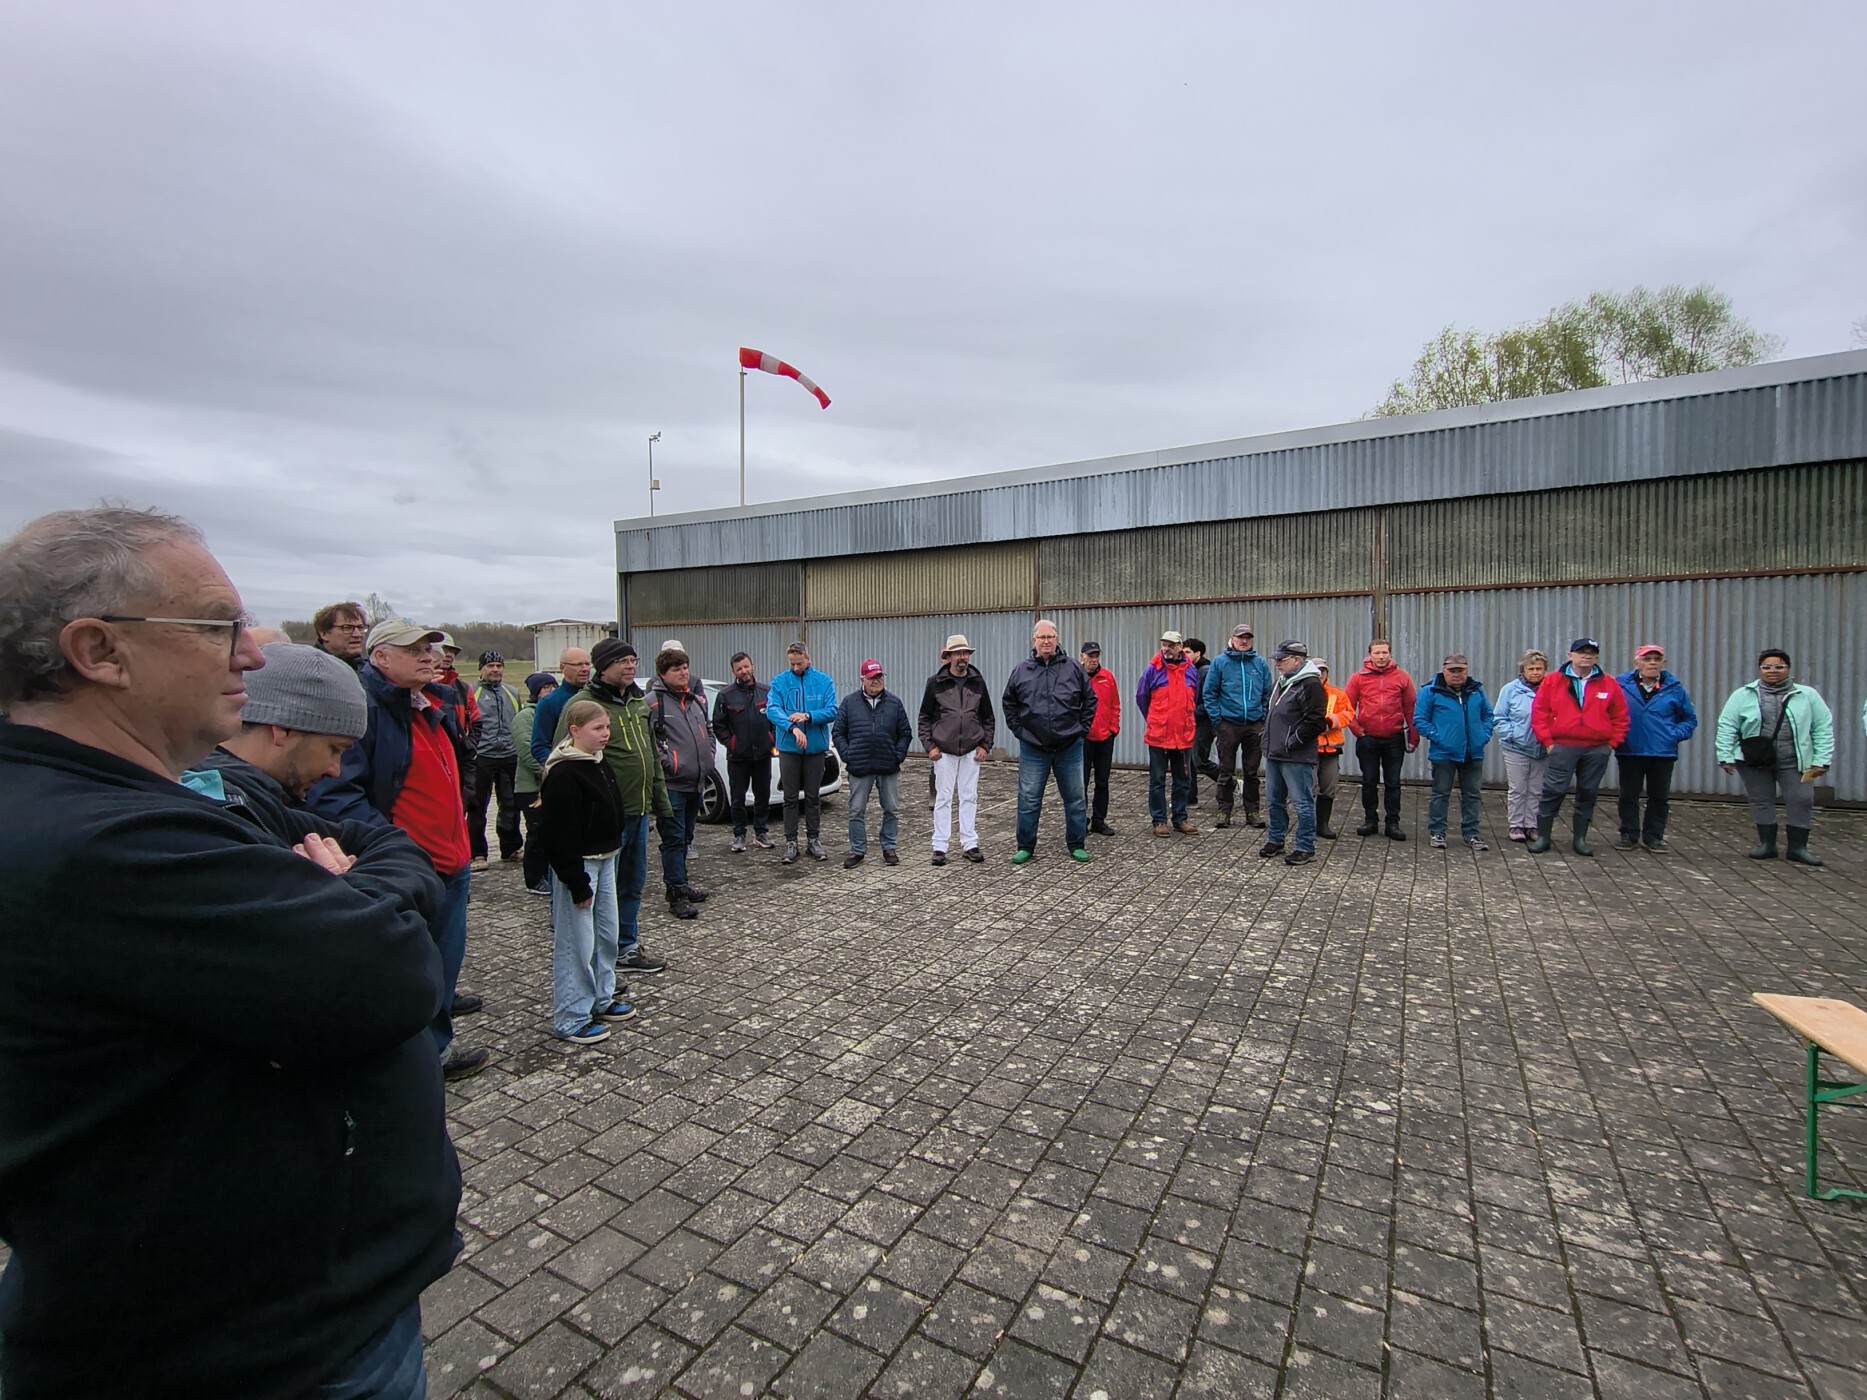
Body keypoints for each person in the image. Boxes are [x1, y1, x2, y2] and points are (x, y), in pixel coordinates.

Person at [0, 507, 459, 1398]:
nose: (252, 656)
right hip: (263, 1350)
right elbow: (393, 974)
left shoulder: (147, 801)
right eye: (219, 627)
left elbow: (379, 850)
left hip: (267, 1317)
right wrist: (358, 907)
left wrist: (340, 895)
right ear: (99, 650)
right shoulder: (107, 844)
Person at [308, 618, 492, 1078]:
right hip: (411, 869)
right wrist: (396, 850)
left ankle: (435, 1046)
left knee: (443, 963)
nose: (429, 656)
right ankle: (417, 1061)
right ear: (381, 657)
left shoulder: (430, 703)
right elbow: (337, 795)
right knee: (412, 971)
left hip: (452, 861)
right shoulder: (365, 710)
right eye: (414, 650)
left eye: (430, 648)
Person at [554, 638, 671, 971]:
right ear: (603, 666)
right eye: (622, 661)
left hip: (638, 811)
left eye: (634, 659)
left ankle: (625, 947)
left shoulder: (638, 703)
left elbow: (651, 756)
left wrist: (661, 805)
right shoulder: (583, 705)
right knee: (600, 895)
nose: (631, 666)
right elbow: (562, 758)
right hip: (602, 819)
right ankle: (596, 960)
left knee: (632, 884)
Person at [539, 699, 637, 1045]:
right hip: (581, 865)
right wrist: (576, 882)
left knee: (606, 935)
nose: (605, 734)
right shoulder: (564, 772)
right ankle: (571, 1016)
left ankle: (601, 997)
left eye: (607, 727)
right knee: (576, 942)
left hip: (606, 857)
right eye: (598, 728)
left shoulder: (597, 761)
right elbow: (557, 834)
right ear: (575, 730)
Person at [1716, 649, 1834, 866]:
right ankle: (1767, 845)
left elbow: (1822, 727)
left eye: (1779, 667)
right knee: (1761, 800)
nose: (1773, 671)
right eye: (1767, 667)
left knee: (1802, 799)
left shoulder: (1807, 695)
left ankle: (1798, 848)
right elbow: (1727, 725)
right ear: (1760, 669)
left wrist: (1822, 759)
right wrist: (1725, 756)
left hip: (1795, 760)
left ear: (1788, 669)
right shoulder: (1743, 695)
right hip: (1754, 759)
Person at [1001, 618, 1096, 865]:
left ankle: (1077, 844)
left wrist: (1082, 729)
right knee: (1029, 798)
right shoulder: (1021, 670)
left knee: (1075, 798)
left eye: (1050, 637)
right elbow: (1009, 703)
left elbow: (1090, 700)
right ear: (1033, 640)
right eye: (1041, 637)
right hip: (1034, 747)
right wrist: (1020, 732)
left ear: (1057, 640)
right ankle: (1025, 846)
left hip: (1069, 746)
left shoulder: (1073, 668)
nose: (1046, 642)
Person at [1528, 638, 1630, 856]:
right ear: (1570, 655)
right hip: (1562, 746)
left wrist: (1611, 743)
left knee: (1588, 792)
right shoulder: (1553, 681)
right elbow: (1539, 713)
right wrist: (1548, 742)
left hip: (1596, 748)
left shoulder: (1609, 683)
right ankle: (1543, 837)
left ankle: (1580, 839)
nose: (1587, 656)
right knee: (1553, 791)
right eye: (1582, 652)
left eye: (1591, 653)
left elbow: (1620, 716)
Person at [646, 646, 712, 918]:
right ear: (663, 674)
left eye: (685, 668)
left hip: (696, 782)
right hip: (672, 785)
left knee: (685, 837)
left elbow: (707, 729)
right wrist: (669, 764)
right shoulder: (653, 703)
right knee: (673, 840)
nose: (683, 673)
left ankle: (682, 883)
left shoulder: (695, 701)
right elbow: (649, 741)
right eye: (676, 669)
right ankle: (675, 893)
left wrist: (709, 755)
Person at [1614, 644, 1699, 852]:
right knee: (1628, 795)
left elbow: (1689, 719)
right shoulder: (1620, 686)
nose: (1652, 663)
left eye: (1656, 659)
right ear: (1637, 663)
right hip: (1630, 750)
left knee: (1659, 797)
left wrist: (1672, 736)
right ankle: (1628, 835)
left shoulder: (1675, 689)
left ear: (1664, 663)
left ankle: (1653, 837)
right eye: (1647, 659)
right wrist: (1617, 736)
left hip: (1662, 752)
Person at [919, 634, 995, 866]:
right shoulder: (935, 683)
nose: (962, 657)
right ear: (949, 656)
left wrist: (985, 745)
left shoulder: (978, 681)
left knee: (969, 797)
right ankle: (940, 846)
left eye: (965, 653)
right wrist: (930, 746)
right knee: (943, 798)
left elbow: (988, 717)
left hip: (972, 749)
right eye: (958, 653)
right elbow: (924, 717)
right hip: (943, 751)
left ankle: (969, 843)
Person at [835, 659, 913, 868]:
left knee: (892, 809)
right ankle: (857, 850)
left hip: (887, 766)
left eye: (879, 677)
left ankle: (889, 846)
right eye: (872, 678)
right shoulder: (849, 702)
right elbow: (838, 732)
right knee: (856, 810)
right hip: (859, 766)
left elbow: (905, 733)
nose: (876, 681)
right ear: (862, 679)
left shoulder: (894, 703)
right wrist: (848, 755)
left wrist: (898, 755)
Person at [1413, 653, 1496, 851]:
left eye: (1461, 670)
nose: (1457, 674)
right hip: (1443, 754)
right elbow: (1420, 719)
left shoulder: (1476, 690)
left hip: (1473, 752)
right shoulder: (1431, 691)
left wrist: (1483, 736)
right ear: (1444, 671)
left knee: (1473, 795)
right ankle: (1437, 832)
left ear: (1467, 671)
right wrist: (1438, 737)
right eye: (1452, 671)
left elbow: (1488, 715)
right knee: (1440, 794)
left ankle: (1472, 834)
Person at [767, 641, 838, 864]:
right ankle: (791, 842)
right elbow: (773, 710)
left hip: (815, 749)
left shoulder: (824, 681)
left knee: (813, 797)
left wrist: (808, 716)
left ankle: (813, 840)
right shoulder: (779, 682)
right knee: (789, 797)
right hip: (789, 748)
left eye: (799, 663)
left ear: (808, 658)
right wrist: (792, 727)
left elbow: (832, 710)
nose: (796, 668)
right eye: (792, 664)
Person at [1259, 640, 1329, 865]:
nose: (1277, 664)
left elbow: (1316, 721)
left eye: (1282, 659)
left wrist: (1293, 741)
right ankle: (1276, 839)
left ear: (1297, 660)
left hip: (1296, 755)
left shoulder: (1311, 685)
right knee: (1274, 800)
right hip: (1275, 752)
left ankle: (1305, 847)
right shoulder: (1282, 682)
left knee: (1302, 802)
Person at [1346, 639, 1418, 840]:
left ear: (1390, 654)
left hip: (1394, 738)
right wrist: (1357, 731)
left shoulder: (1402, 678)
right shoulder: (1358, 678)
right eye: (1377, 653)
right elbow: (1347, 707)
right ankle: (1370, 821)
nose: (1381, 656)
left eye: (1384, 652)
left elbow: (1411, 708)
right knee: (1369, 782)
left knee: (1393, 783)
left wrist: (1414, 736)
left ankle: (1392, 823)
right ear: (1370, 655)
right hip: (1368, 738)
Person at [1205, 623, 1274, 829]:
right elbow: (1209, 693)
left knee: (1251, 772)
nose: (1244, 641)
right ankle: (1224, 811)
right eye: (1240, 637)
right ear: (1232, 639)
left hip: (1253, 725)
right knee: (1226, 771)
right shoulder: (1220, 663)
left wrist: (1262, 717)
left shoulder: (1259, 664)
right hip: (1228, 724)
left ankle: (1252, 811)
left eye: (1248, 637)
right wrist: (1218, 720)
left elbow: (1267, 692)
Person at [1138, 628, 1201, 837]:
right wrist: (1156, 720)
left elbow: (1195, 697)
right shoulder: (1152, 670)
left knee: (1183, 780)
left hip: (1183, 735)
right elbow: (1142, 697)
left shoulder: (1191, 670)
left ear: (1180, 647)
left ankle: (1180, 819)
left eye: (1171, 645)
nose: (1166, 648)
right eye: (1164, 644)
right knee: (1157, 781)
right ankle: (1159, 820)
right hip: (1159, 735)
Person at [713, 651, 775, 853]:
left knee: (762, 795)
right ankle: (739, 835)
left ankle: (761, 832)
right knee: (738, 798)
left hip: (762, 755)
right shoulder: (726, 696)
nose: (744, 671)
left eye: (746, 666)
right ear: (733, 672)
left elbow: (775, 719)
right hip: (738, 757)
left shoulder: (767, 692)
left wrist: (771, 739)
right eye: (739, 668)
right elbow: (719, 725)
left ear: (753, 666)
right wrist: (732, 744)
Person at [469, 649, 526, 869]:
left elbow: (518, 721)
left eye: (499, 666)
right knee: (477, 807)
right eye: (490, 666)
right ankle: (477, 853)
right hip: (481, 756)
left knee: (511, 804)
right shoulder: (471, 693)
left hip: (509, 755)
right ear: (481, 669)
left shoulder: (512, 692)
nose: (495, 670)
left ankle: (510, 848)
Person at [1494, 650, 1550, 842]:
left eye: (1539, 669)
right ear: (1523, 670)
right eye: (1531, 669)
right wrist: (1512, 735)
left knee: (1536, 789)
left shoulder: (1552, 689)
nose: (1535, 672)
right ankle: (1516, 824)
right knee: (1518, 788)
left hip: (1542, 748)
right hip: (1515, 748)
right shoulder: (1510, 690)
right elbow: (1499, 717)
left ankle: (1532, 824)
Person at [515, 670, 558, 894]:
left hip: (551, 782)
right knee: (536, 832)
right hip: (531, 786)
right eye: (545, 688)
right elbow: (527, 751)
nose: (551, 691)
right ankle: (533, 878)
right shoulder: (525, 717)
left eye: (553, 687)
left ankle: (548, 873)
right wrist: (550, 771)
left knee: (550, 832)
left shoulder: (553, 711)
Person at [1079, 641, 1121, 836]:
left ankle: (1099, 820)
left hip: (1105, 737)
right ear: (1082, 657)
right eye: (1090, 656)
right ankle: (1081, 821)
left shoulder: (1108, 677)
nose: (1094, 660)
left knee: (1102, 782)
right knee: (1081, 783)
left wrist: (1113, 729)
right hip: (1083, 738)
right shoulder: (1076, 677)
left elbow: (1115, 705)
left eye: (1096, 656)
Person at [531, 645, 592, 770]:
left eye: (587, 664)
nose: (585, 669)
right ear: (562, 668)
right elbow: (539, 746)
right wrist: (557, 767)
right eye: (578, 664)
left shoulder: (597, 696)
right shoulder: (549, 703)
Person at [1313, 661, 1355, 839]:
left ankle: (1323, 824)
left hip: (1331, 748)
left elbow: (1349, 714)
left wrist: (1331, 722)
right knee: (1307, 788)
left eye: (1322, 671)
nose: (1320, 674)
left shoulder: (1337, 694)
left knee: (1329, 787)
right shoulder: (1302, 692)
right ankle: (1308, 825)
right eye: (1316, 671)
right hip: (1309, 748)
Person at [1185, 638, 1217, 803]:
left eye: (1188, 652)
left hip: (1204, 722)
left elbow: (1210, 700)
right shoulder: (1189, 670)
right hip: (1192, 721)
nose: (1184, 655)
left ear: (1198, 653)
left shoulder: (1205, 671)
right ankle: (1190, 796)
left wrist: (1191, 712)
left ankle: (1231, 784)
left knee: (1199, 760)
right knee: (1189, 760)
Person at [312, 599, 368, 671]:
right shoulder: (311, 669)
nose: (357, 634)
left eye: (360, 627)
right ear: (324, 634)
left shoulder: (369, 670)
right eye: (347, 628)